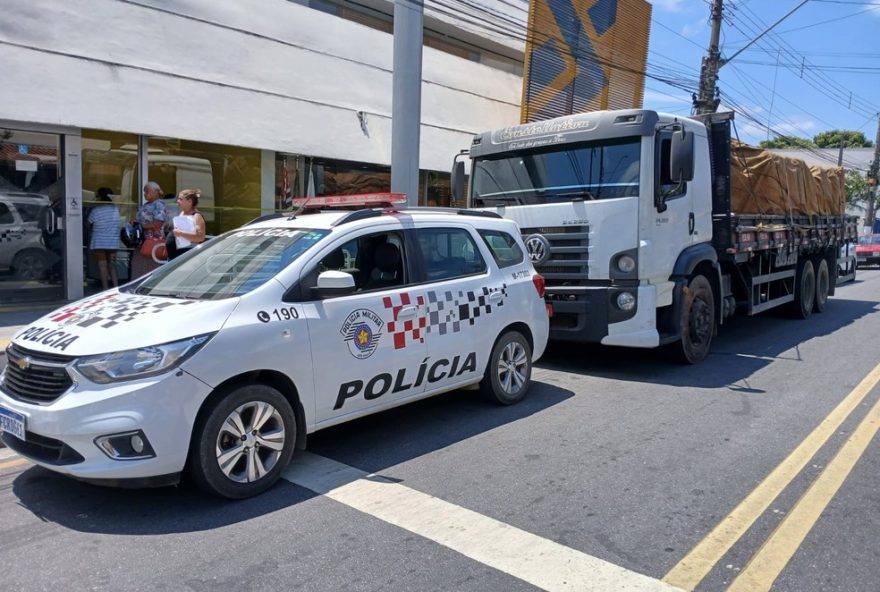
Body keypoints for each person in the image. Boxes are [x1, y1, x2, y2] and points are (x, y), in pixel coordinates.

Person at [131, 181, 167, 277]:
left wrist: (141, 226)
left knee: (150, 268)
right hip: (141, 242)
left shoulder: (159, 205)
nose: (145, 194)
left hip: (152, 243)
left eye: (147, 191)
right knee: (138, 267)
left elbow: (158, 223)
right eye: (144, 191)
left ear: (156, 192)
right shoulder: (146, 205)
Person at [87, 187, 121, 290]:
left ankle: (105, 289)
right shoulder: (115, 209)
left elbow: (88, 223)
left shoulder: (96, 210)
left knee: (102, 266)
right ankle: (116, 288)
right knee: (112, 265)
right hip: (112, 242)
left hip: (99, 242)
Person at [170, 188, 206, 259]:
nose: (178, 201)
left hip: (187, 256)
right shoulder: (182, 213)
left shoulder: (196, 216)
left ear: (189, 201)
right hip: (175, 255)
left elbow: (200, 237)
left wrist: (180, 233)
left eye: (180, 199)